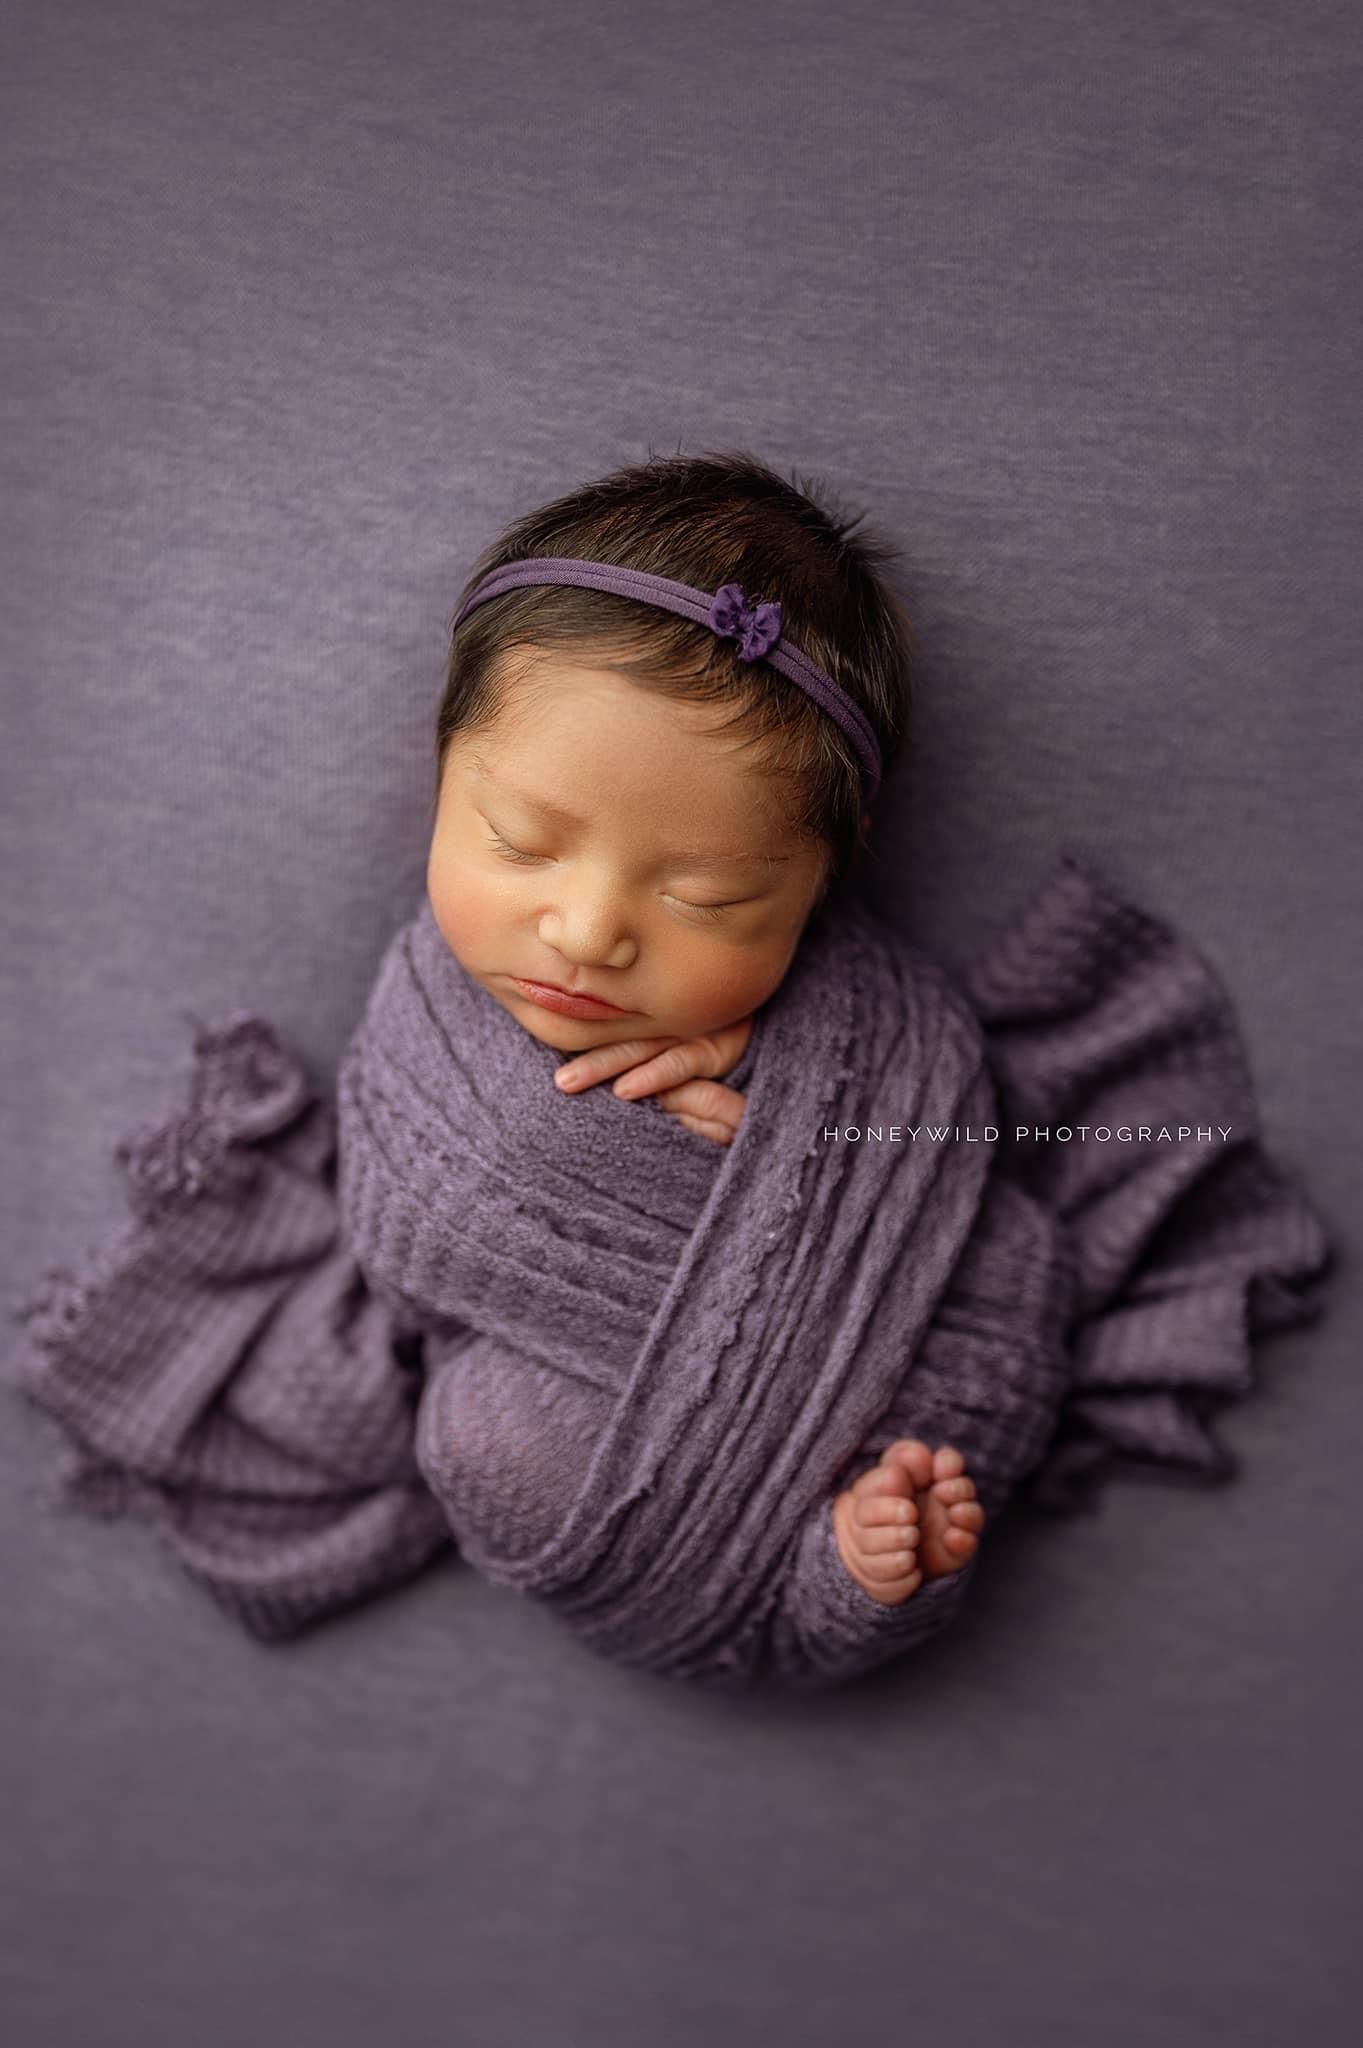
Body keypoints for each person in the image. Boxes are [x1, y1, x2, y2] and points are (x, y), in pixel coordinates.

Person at [422, 447, 983, 1613]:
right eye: (521, 841)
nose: (582, 933)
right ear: (441, 771)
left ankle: (857, 1564)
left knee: (974, 1373)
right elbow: (411, 1211)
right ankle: (821, 1573)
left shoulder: (853, 1012)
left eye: (708, 899)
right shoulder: (426, 1006)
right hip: (604, 1416)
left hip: (875, 1354)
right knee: (486, 1436)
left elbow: (935, 1116)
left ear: (817, 891)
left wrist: (801, 1108)